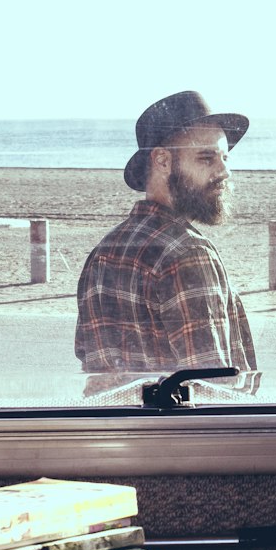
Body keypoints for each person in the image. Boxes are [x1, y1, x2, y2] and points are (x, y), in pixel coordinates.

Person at [75, 90, 257, 387]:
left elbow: (92, 368)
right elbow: (213, 388)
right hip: (178, 431)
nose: (225, 171)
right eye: (206, 158)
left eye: (225, 158)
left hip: (117, 429)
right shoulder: (189, 254)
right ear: (161, 160)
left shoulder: (103, 252)